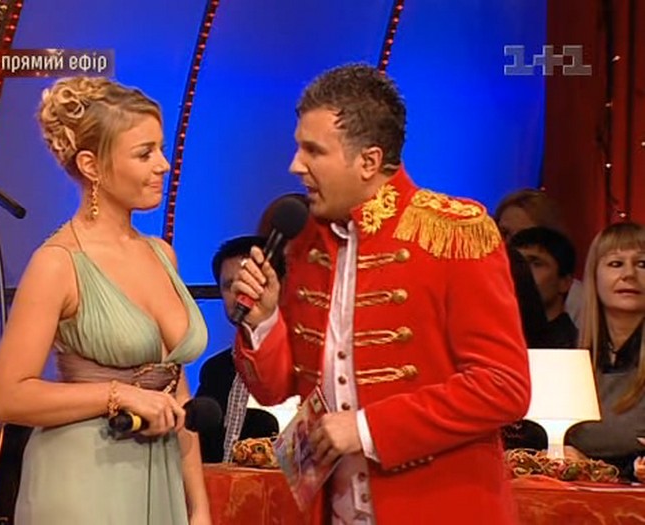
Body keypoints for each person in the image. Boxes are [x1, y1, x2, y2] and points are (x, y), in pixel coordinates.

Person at [231, 64, 530, 524]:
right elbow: (275, 389)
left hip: (439, 506)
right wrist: (264, 320)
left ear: (369, 161)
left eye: (313, 150)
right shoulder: (306, 244)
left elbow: (503, 386)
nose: (295, 165)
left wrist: (366, 428)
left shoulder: (451, 233)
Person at [0, 77, 211, 525]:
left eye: (161, 149)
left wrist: (199, 506)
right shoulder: (57, 264)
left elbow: (177, 391)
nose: (164, 165)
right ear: (91, 165)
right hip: (83, 479)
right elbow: (7, 396)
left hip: (161, 475)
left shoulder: (162, 254)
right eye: (144, 154)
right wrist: (119, 394)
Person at [564, 222, 645, 482]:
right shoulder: (568, 354)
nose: (629, 274)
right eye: (616, 264)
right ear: (594, 276)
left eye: (642, 264)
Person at [196, 235, 282, 463]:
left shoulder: (305, 364)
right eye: (228, 286)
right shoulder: (215, 370)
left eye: (249, 282)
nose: (240, 294)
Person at [494, 188, 583, 326]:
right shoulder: (489, 287)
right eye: (504, 233)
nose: (511, 245)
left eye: (525, 236)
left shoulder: (578, 299)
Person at [510, 226, 578, 348]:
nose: (521, 271)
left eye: (536, 264)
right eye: (517, 263)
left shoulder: (577, 347)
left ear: (565, 282)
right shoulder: (503, 340)